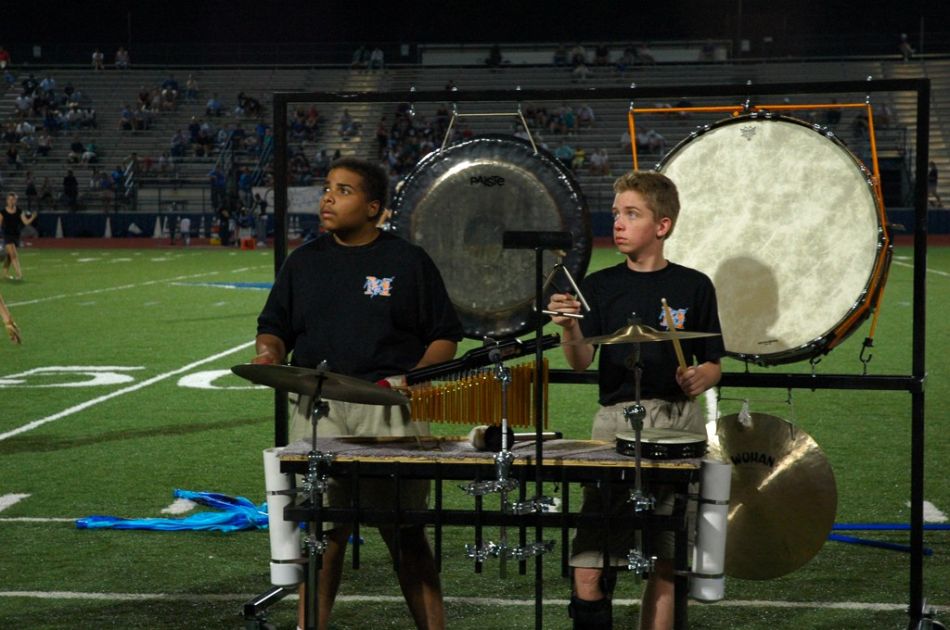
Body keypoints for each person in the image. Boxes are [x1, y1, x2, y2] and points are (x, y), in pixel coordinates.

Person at [253, 157, 461, 630]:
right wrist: (268, 353)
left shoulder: (408, 261)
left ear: (374, 208)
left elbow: (444, 335)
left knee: (406, 531)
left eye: (343, 190)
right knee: (324, 534)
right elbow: (274, 328)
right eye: (327, 188)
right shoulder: (303, 262)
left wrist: (415, 378)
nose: (328, 197)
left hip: (389, 409)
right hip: (319, 407)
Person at [547, 171, 724, 630]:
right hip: (613, 424)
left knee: (665, 559)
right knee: (591, 558)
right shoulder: (602, 286)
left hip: (677, 421)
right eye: (616, 214)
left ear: (662, 226)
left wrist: (704, 373)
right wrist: (570, 327)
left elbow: (713, 361)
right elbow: (582, 360)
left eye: (632, 214)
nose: (619, 224)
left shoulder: (694, 285)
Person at [1, 192, 37, 280]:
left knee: (10, 256)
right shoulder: (2, 212)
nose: (11, 201)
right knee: (14, 255)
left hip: (16, 236)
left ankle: (4, 274)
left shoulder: (19, 211)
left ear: (16, 201)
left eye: (13, 199)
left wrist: (32, 217)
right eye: (9, 199)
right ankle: (19, 275)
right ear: (7, 201)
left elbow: (26, 222)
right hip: (7, 235)